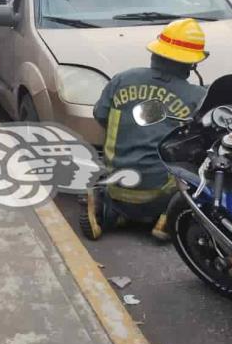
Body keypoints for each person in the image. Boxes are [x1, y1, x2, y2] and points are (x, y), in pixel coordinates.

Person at [89, 19, 208, 241]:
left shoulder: (122, 79)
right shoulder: (197, 97)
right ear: (191, 65)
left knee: (112, 188)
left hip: (117, 186)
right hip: (161, 193)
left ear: (155, 53)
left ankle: (111, 211)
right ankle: (166, 219)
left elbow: (100, 115)